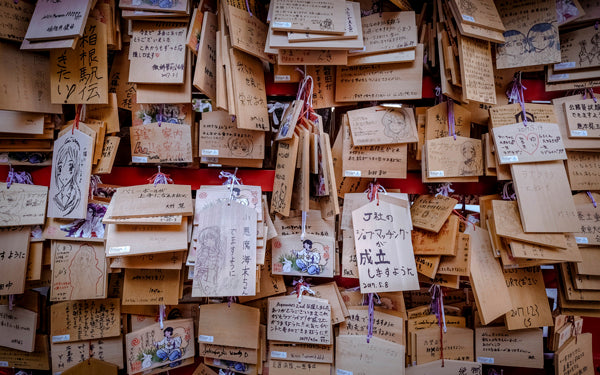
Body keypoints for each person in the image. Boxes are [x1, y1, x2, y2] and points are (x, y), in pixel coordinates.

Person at [53, 138, 81, 216]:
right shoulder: (56, 198)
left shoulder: (77, 197)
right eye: (60, 167)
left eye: (70, 166)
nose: (63, 172)